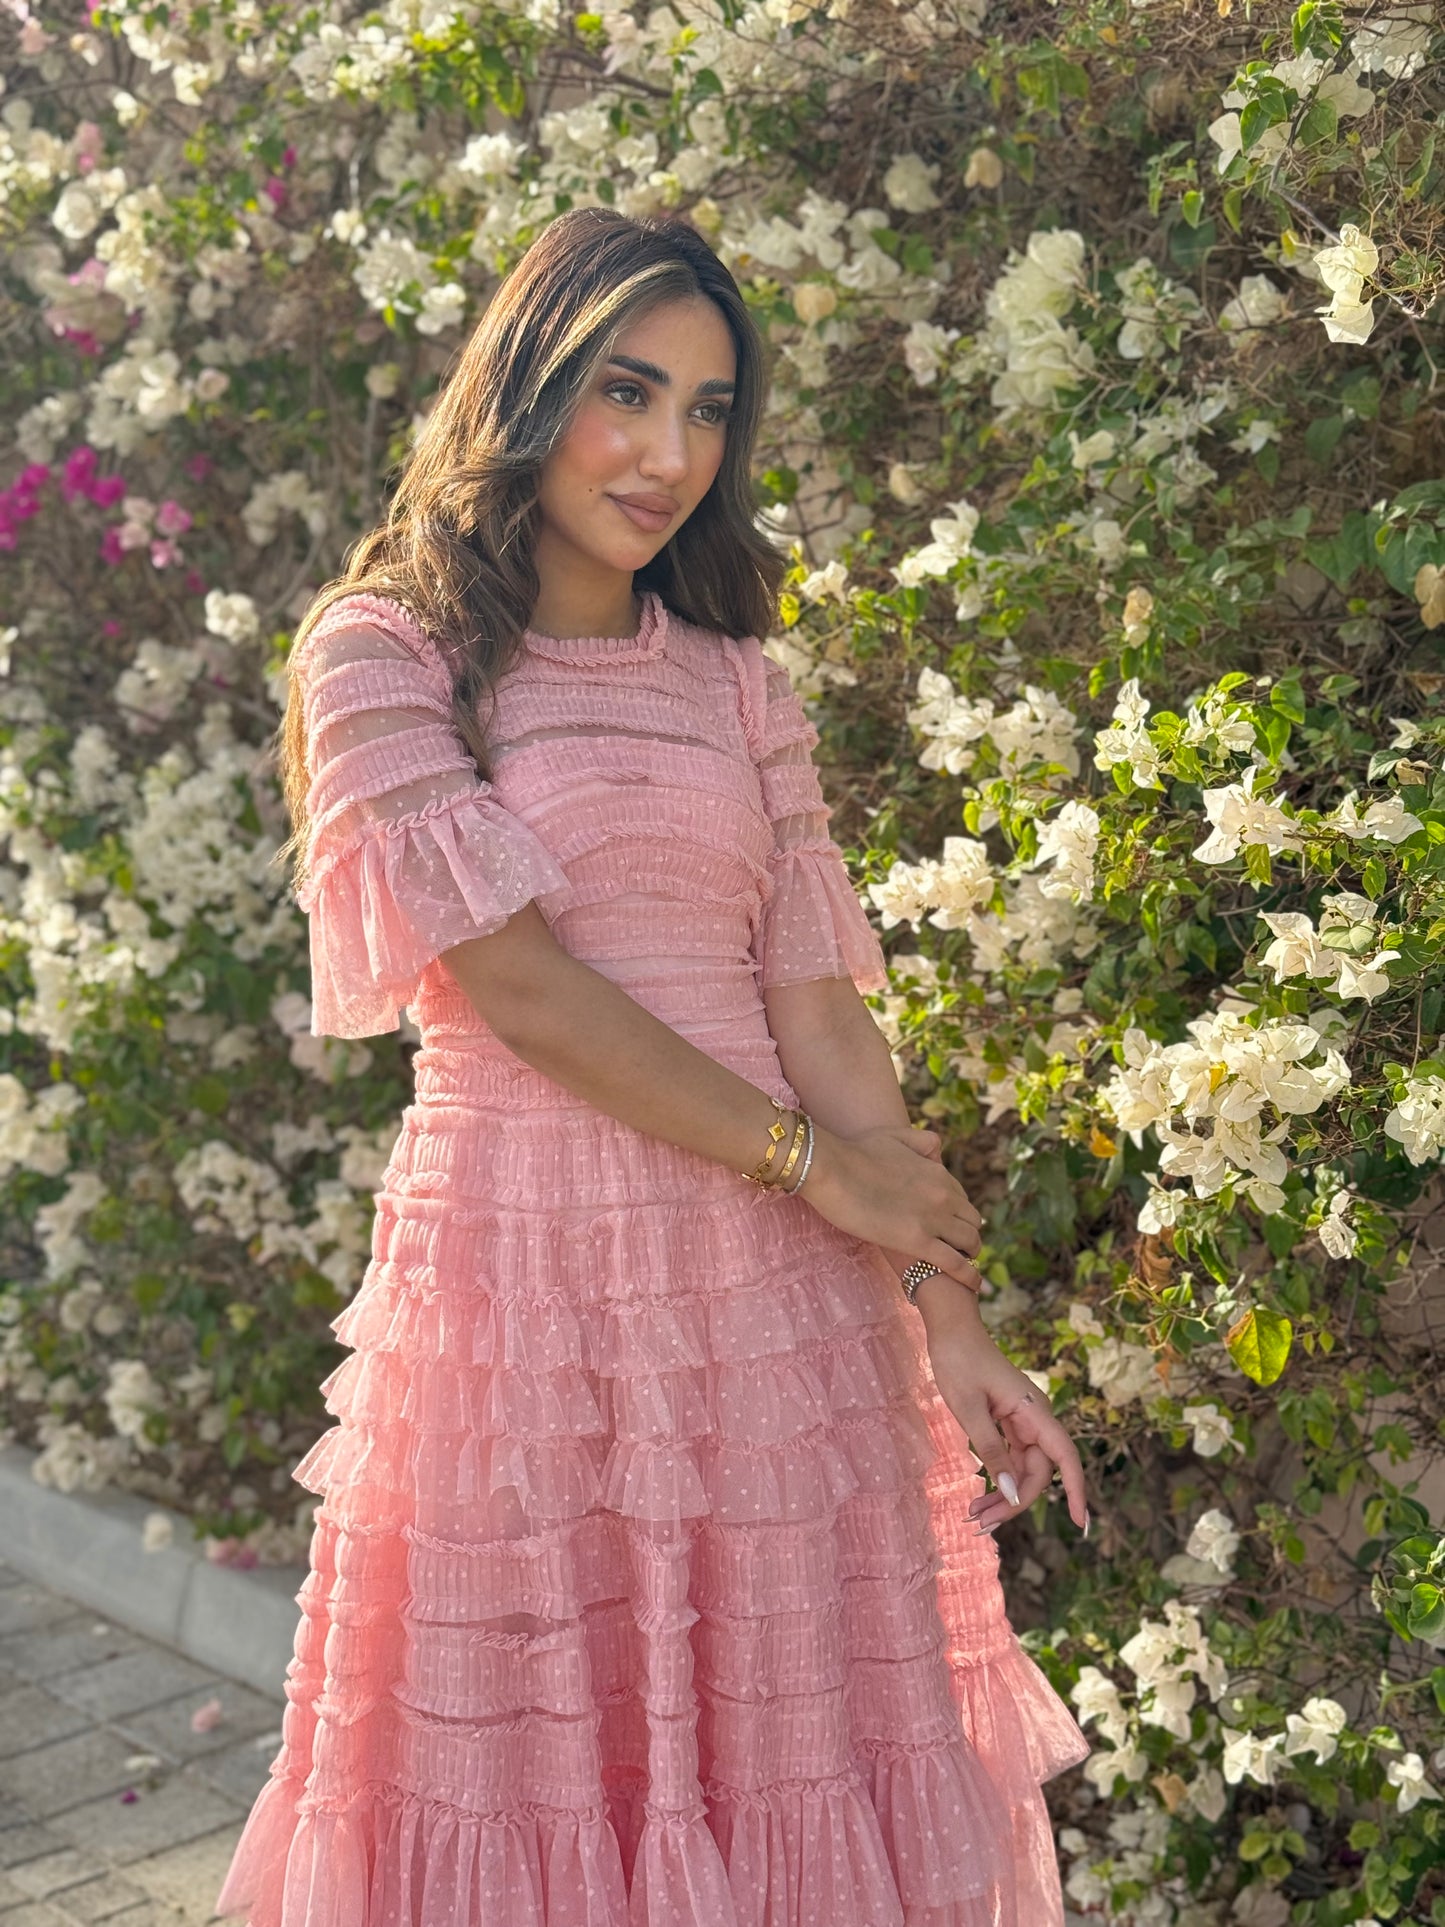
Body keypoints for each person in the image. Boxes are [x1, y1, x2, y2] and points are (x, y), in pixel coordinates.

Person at [215, 205, 1092, 1927]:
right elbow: (522, 989)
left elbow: (817, 1005)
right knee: (541, 1790)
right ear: (530, 380)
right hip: (522, 1305)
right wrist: (808, 1167)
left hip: (779, 1324)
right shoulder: (382, 654)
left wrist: (951, 1318)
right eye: (628, 391)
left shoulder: (735, 681)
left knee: (799, 1777)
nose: (669, 452)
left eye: (707, 411)